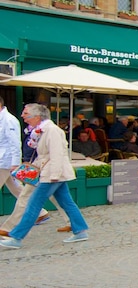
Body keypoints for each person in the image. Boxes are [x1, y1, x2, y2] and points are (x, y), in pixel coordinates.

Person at [0, 103, 90, 249]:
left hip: (52, 174)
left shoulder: (51, 131)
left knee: (34, 204)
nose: (23, 117)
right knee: (67, 203)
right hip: (52, 173)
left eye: (26, 114)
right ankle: (80, 231)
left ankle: (16, 237)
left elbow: (57, 154)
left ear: (37, 117)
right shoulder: (43, 130)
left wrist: (53, 175)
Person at [0, 95, 52, 232]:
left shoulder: (9, 120)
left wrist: (15, 163)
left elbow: (14, 143)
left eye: (26, 113)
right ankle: (40, 212)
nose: (24, 115)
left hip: (5, 161)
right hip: (4, 161)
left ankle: (13, 226)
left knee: (20, 189)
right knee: (17, 189)